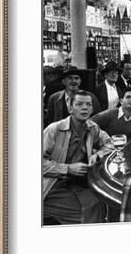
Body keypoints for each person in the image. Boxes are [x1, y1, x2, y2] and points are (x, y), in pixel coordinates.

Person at [42, 91, 114, 225]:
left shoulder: (92, 127)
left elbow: (110, 144)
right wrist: (68, 169)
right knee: (86, 213)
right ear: (70, 108)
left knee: (101, 201)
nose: (85, 108)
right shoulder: (54, 129)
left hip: (76, 183)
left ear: (92, 109)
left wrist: (98, 155)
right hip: (51, 186)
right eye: (79, 104)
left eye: (88, 104)